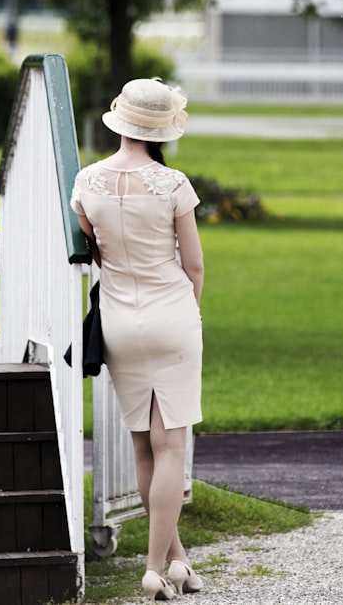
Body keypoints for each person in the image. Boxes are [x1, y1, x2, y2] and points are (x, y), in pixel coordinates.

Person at [71, 78, 205, 601]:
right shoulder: (173, 184)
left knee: (144, 447)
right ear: (162, 128)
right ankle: (154, 568)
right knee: (171, 444)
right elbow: (192, 264)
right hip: (171, 311)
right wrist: (188, 312)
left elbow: (96, 251)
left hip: (119, 319)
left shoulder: (87, 181)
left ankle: (178, 562)